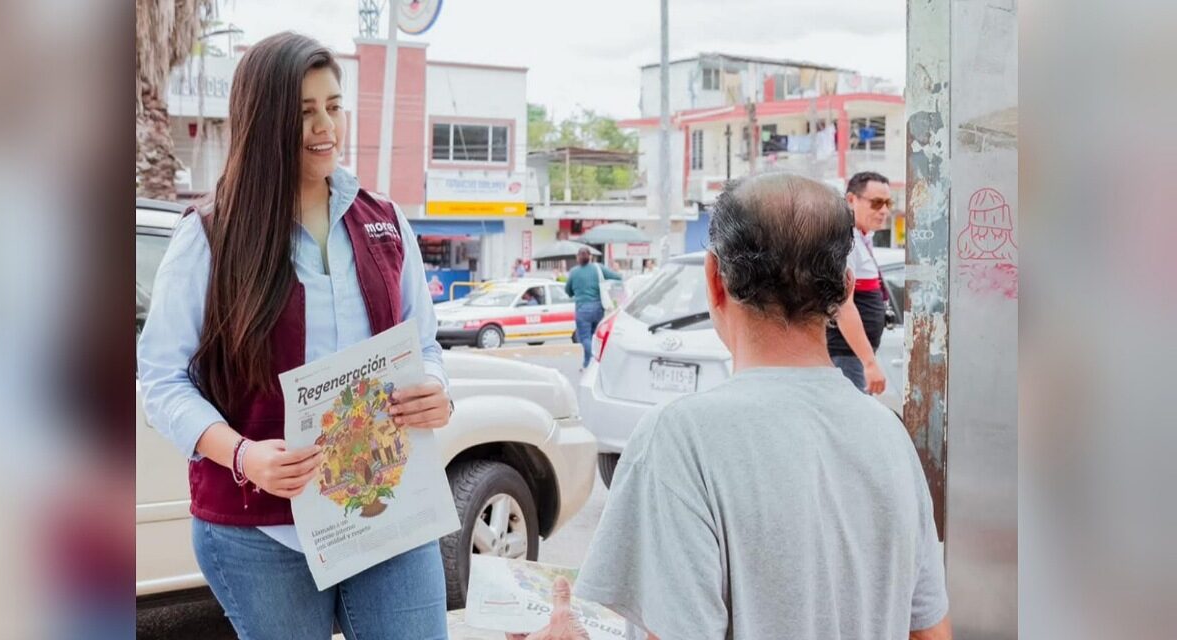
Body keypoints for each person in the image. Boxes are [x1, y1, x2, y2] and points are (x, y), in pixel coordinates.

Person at [519, 174, 950, 639]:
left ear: (714, 278)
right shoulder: (889, 436)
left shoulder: (680, 440)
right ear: (847, 289)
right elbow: (931, 633)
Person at [137, 33, 453, 640]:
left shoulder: (386, 222)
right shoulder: (210, 234)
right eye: (304, 111)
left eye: (333, 106)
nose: (325, 126)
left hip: (386, 508)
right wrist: (243, 455)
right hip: (260, 533)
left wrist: (435, 389)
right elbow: (162, 380)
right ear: (263, 121)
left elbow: (425, 345)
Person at [827, 171, 894, 394]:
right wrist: (869, 363)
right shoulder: (845, 241)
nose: (884, 211)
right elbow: (843, 306)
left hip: (851, 356)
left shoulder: (861, 237)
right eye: (876, 203)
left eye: (888, 203)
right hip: (846, 355)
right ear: (851, 200)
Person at [564, 248, 622, 370]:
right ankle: (588, 364)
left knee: (585, 338)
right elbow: (618, 277)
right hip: (598, 309)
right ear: (590, 256)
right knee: (594, 337)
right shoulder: (598, 268)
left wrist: (576, 291)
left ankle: (592, 362)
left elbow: (568, 291)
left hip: (582, 310)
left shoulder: (574, 272)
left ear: (577, 258)